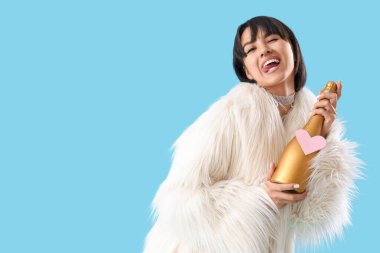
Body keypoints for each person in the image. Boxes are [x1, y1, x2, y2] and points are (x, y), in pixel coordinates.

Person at [143, 16, 362, 253]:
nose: (264, 50)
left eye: (273, 39)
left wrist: (325, 137)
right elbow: (176, 199)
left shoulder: (307, 116)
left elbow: (309, 216)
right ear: (246, 70)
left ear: (293, 50)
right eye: (251, 49)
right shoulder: (232, 114)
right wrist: (260, 199)